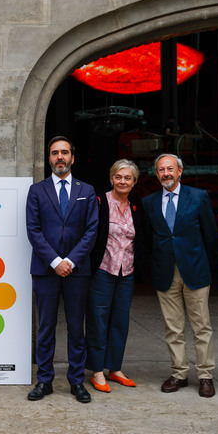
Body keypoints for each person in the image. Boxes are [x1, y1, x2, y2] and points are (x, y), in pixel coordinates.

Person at [25, 136, 98, 404]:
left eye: (64, 152)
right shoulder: (37, 191)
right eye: (55, 153)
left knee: (76, 327)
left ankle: (76, 381)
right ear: (49, 159)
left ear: (72, 158)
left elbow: (91, 231)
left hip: (77, 271)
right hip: (46, 270)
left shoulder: (87, 190)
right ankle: (44, 380)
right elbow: (33, 230)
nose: (60, 157)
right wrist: (56, 261)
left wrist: (71, 261)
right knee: (46, 326)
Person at [142, 153, 218, 398]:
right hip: (165, 272)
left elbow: (210, 235)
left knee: (201, 326)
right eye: (161, 170)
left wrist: (205, 265)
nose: (166, 173)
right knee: (173, 327)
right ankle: (179, 373)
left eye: (170, 169)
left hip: (195, 270)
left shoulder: (198, 197)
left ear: (180, 171)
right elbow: (148, 238)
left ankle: (205, 376)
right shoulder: (149, 202)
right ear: (157, 174)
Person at [85, 159, 142, 393]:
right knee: (98, 320)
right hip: (102, 270)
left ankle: (115, 368)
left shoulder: (136, 207)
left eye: (127, 178)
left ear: (134, 182)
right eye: (118, 177)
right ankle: (97, 370)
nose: (122, 181)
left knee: (120, 321)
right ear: (111, 179)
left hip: (126, 272)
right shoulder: (100, 202)